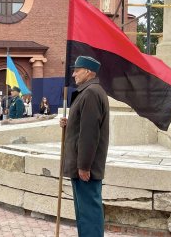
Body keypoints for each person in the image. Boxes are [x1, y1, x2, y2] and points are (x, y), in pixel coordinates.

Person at [60, 56, 109, 237]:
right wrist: (69, 122)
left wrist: (84, 166)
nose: (73, 74)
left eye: (77, 70)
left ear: (88, 71)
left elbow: (89, 134)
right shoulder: (90, 91)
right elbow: (83, 124)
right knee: (84, 213)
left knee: (89, 214)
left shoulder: (90, 93)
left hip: (86, 168)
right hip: (83, 166)